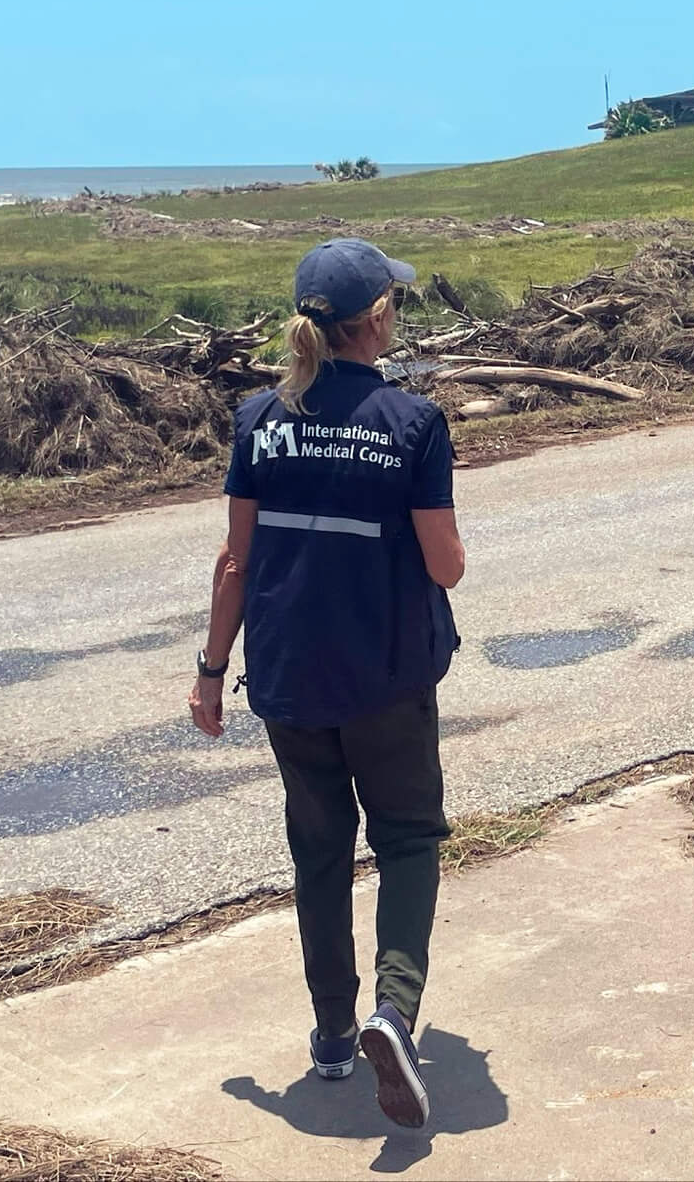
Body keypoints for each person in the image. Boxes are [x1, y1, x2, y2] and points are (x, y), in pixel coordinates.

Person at [188, 237, 465, 1130]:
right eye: (396, 307)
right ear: (377, 319)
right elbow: (446, 566)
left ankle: (333, 1036)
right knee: (410, 840)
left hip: (285, 679)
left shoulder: (258, 418)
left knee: (318, 855)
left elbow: (238, 560)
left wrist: (209, 671)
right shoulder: (412, 422)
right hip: (386, 677)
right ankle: (395, 1011)